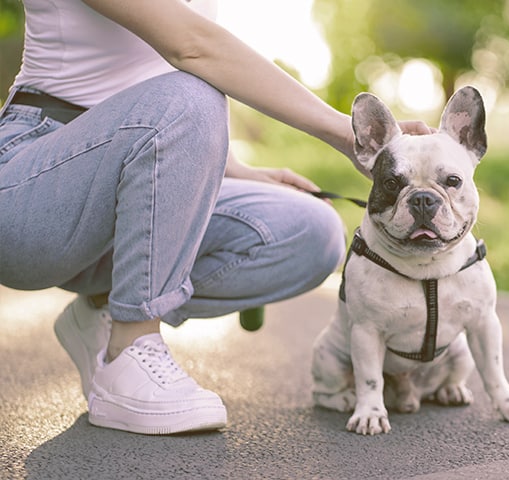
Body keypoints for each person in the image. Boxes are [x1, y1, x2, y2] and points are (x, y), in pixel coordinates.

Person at [0, 0, 431, 435]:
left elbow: (151, 86)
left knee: (312, 230)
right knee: (194, 92)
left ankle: (102, 305)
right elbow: (193, 48)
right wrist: (349, 133)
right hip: (30, 180)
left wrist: (238, 171)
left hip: (127, 164)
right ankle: (130, 349)